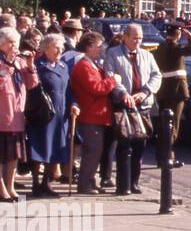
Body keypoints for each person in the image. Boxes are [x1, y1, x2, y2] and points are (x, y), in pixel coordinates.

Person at [104, 24, 161, 195]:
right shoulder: (113, 54)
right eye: (135, 38)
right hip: (123, 107)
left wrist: (145, 92)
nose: (138, 41)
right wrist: (123, 94)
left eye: (140, 38)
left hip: (143, 106)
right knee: (124, 145)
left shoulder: (147, 55)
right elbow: (110, 75)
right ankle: (123, 184)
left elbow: (157, 75)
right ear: (126, 37)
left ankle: (134, 182)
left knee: (140, 145)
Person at [71, 32, 120, 194]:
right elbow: (96, 88)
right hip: (90, 114)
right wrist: (114, 81)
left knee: (96, 151)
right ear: (89, 46)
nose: (101, 49)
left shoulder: (91, 64)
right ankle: (84, 184)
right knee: (92, 151)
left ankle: (90, 181)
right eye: (98, 46)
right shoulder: (83, 66)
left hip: (97, 114)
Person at [27, 33, 73, 199]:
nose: (60, 50)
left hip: (60, 115)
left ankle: (47, 183)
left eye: (61, 48)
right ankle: (35, 183)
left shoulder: (63, 66)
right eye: (56, 47)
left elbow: (69, 89)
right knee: (40, 148)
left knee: (54, 149)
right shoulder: (38, 65)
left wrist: (74, 104)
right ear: (46, 48)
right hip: (43, 114)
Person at [152, 24, 191, 169]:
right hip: (176, 90)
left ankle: (161, 157)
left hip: (163, 90)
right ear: (178, 33)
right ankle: (167, 157)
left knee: (163, 125)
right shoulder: (174, 47)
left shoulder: (161, 47)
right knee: (173, 126)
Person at [0, 27, 38, 202]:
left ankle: (11, 186)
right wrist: (6, 73)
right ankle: (2, 190)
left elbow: (32, 85)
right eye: (10, 42)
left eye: (15, 42)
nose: (14, 46)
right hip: (2, 116)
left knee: (14, 155)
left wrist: (30, 66)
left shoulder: (19, 61)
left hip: (17, 116)